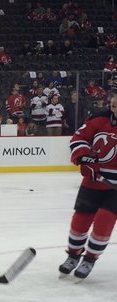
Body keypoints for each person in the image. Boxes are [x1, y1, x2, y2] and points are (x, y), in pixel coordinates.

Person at [58, 95, 117, 279]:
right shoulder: (99, 119)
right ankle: (73, 256)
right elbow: (79, 138)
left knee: (104, 220)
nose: (115, 100)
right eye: (115, 96)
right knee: (80, 220)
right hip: (93, 180)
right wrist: (84, 156)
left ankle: (90, 259)